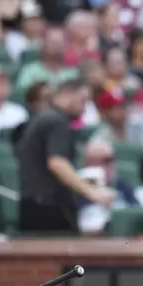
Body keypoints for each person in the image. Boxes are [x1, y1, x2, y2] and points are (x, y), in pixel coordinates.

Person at [17, 79, 115, 235]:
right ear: (67, 94)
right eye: (82, 101)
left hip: (32, 205)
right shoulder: (57, 122)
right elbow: (57, 163)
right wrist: (91, 192)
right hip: (49, 209)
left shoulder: (44, 117)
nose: (84, 109)